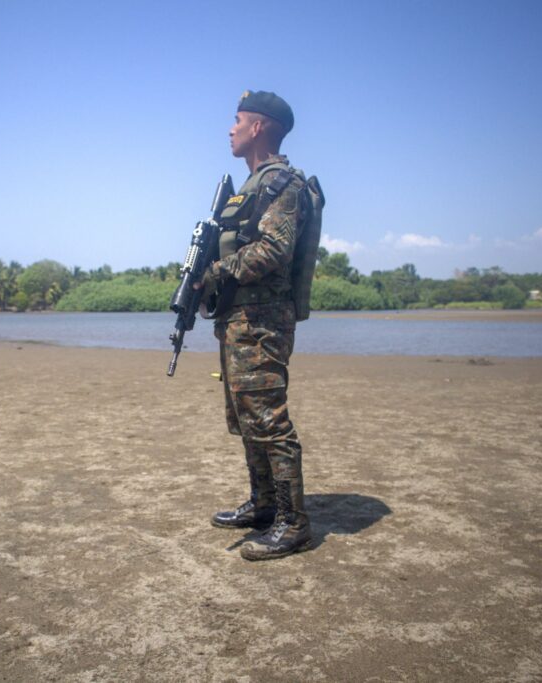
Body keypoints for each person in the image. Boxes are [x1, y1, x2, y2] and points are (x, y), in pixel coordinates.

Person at [200, 90, 312, 561]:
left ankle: (293, 522)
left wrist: (218, 273)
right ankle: (265, 505)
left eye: (238, 119)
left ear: (259, 127)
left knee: (268, 419)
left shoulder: (284, 185)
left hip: (263, 319)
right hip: (238, 318)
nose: (230, 128)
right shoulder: (249, 188)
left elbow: (273, 252)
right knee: (246, 418)